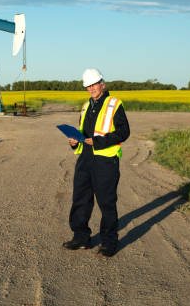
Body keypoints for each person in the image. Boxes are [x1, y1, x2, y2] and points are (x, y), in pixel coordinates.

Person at [63, 68, 130, 257]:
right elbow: (83, 132)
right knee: (80, 199)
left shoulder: (114, 104)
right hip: (85, 159)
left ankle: (109, 242)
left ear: (102, 84)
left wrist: (99, 142)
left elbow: (123, 132)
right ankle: (81, 237)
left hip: (105, 160)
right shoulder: (85, 106)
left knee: (106, 203)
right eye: (88, 86)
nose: (91, 88)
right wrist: (74, 141)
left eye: (94, 84)